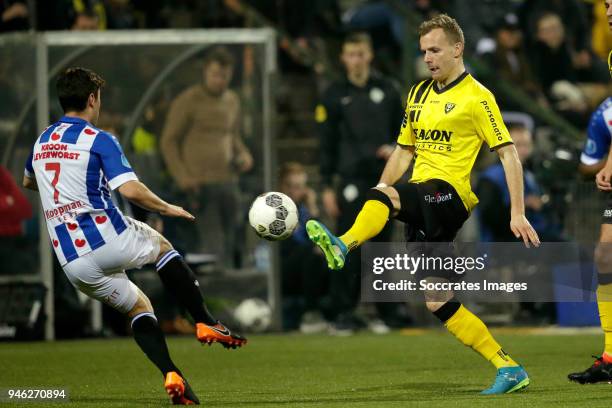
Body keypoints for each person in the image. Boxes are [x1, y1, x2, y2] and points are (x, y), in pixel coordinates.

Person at [306, 14, 540, 394]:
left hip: (449, 196)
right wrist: (381, 192)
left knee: (386, 200)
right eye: (423, 51)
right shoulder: (417, 93)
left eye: (435, 50)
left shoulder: (478, 98)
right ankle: (509, 367)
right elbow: (402, 152)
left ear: (457, 48)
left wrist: (517, 212)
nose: (428, 58)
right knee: (437, 299)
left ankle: (343, 243)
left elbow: (509, 155)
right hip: (422, 199)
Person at [23, 67, 246, 405]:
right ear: (92, 99)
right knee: (162, 247)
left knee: (139, 306)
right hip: (105, 236)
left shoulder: (41, 141)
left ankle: (173, 376)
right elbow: (129, 189)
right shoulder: (99, 139)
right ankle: (206, 321)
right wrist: (166, 207)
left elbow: (29, 181)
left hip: (73, 263)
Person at [316, 32, 404, 333]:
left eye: (360, 54)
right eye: (350, 55)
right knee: (348, 244)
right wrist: (327, 185)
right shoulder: (333, 94)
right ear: (343, 58)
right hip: (350, 180)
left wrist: (395, 146)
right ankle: (343, 311)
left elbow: (406, 133)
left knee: (382, 247)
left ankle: (387, 313)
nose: (355, 60)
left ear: (369, 56)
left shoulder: (389, 90)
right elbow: (326, 143)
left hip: (384, 179)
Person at [161, 46, 253, 268]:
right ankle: (215, 294)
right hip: (199, 184)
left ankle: (233, 284)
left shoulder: (232, 100)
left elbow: (232, 135)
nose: (219, 80)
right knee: (212, 241)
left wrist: (243, 154)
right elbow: (168, 141)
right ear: (205, 73)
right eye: (215, 75)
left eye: (224, 75)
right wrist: (182, 177)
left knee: (234, 234)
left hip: (228, 181)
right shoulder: (188, 100)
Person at [569, 97, 612, 383]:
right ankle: (610, 356)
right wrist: (602, 170)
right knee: (605, 256)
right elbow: (586, 165)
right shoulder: (604, 113)